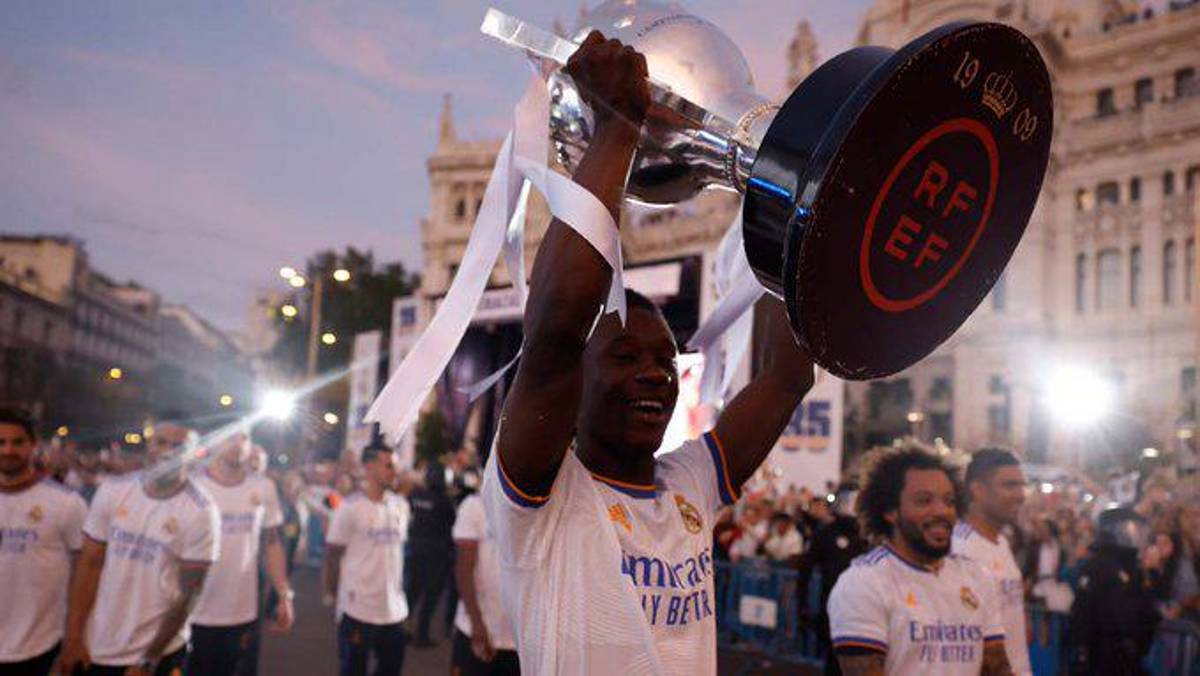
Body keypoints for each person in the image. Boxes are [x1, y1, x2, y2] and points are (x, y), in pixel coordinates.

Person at [481, 32, 815, 675]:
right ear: (571, 381)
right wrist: (616, 129)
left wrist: (787, 201)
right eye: (626, 356)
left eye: (665, 361)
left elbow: (783, 378)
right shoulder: (540, 490)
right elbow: (553, 329)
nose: (655, 376)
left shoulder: (689, 481)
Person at [827, 446, 1012, 675]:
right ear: (890, 511)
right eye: (924, 501)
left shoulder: (977, 577)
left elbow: (997, 669)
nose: (942, 511)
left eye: (949, 501)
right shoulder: (863, 584)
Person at [61, 420, 220, 676]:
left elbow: (188, 594)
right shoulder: (113, 490)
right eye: (160, 442)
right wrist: (74, 636)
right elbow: (90, 564)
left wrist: (149, 659)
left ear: (194, 453)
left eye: (179, 446)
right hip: (96, 644)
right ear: (149, 445)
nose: (167, 451)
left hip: (156, 652)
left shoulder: (202, 511)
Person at [187, 431, 294, 675]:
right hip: (193, 611)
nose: (238, 444)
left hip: (243, 611)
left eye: (244, 438)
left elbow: (272, 543)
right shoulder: (192, 486)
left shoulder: (263, 487)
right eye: (230, 437)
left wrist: (283, 595)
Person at [0, 408, 87, 675]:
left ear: (34, 445)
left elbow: (85, 574)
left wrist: (75, 637)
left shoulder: (66, 503)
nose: (8, 450)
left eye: (17, 442)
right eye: (0, 442)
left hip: (40, 644)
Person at [323, 442, 410, 676]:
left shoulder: (401, 505)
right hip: (358, 611)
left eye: (396, 465)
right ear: (369, 467)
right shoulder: (349, 508)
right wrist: (335, 594)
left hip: (394, 612)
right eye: (389, 465)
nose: (395, 471)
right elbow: (332, 556)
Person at [952, 449, 1032, 675]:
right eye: (1009, 485)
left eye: (1021, 485)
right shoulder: (961, 550)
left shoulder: (1001, 542)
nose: (1021, 495)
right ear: (977, 490)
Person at [1065, 507, 1161, 675]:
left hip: (1128, 655)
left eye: (1138, 530)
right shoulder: (1098, 566)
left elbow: (1146, 608)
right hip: (1103, 654)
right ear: (1112, 532)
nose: (1135, 536)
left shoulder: (1134, 568)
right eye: (1129, 529)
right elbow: (1083, 611)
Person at [798, 485, 867, 676]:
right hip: (832, 608)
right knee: (835, 661)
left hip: (863, 611)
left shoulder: (866, 537)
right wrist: (802, 605)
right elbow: (806, 568)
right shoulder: (826, 533)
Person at [452, 491, 519, 676]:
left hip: (521, 642)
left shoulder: (536, 508)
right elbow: (464, 571)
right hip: (480, 632)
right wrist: (477, 623)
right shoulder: (475, 505)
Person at [405, 462, 457, 648]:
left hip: (416, 551)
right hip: (436, 556)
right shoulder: (445, 502)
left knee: (411, 594)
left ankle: (403, 632)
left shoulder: (415, 495)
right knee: (430, 598)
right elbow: (453, 525)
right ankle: (421, 635)